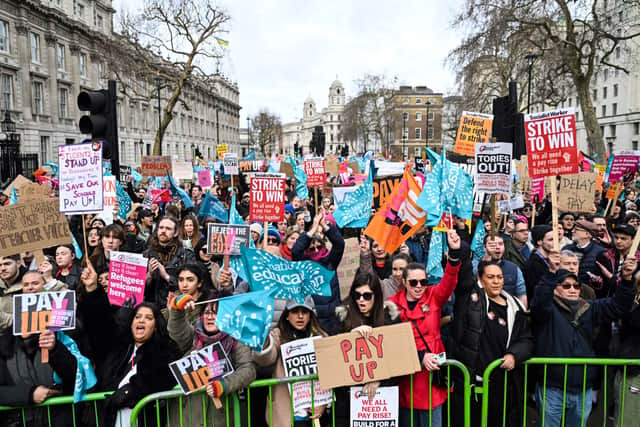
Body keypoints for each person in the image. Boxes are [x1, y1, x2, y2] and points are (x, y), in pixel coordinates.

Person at [530, 254, 637, 427]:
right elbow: (539, 303)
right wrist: (550, 273)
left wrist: (626, 280)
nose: (572, 289)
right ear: (555, 288)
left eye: (576, 286)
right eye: (566, 286)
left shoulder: (588, 307)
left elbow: (618, 306)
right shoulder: (546, 310)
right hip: (552, 388)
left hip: (583, 389)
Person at [77, 263, 179, 427]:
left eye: (148, 318)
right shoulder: (118, 348)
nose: (141, 320)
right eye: (137, 316)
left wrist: (130, 391)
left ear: (156, 325)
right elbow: (101, 326)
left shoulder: (163, 351)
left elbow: (161, 374)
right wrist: (93, 289)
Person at [387, 229, 462, 427]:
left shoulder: (433, 296)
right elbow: (391, 342)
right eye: (413, 282)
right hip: (407, 377)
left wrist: (454, 254)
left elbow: (449, 281)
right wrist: (420, 357)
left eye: (423, 281)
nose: (419, 286)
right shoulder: (392, 304)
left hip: (431, 379)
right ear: (403, 282)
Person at [450, 260, 533, 427]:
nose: (496, 281)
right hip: (474, 386)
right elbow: (464, 281)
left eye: (499, 277)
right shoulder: (470, 301)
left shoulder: (515, 306)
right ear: (480, 279)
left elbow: (526, 339)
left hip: (503, 386)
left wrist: (514, 355)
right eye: (490, 277)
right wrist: (458, 251)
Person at [0, 271, 86, 426]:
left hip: (61, 419)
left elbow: (76, 376)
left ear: (45, 287)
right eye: (26, 285)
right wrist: (29, 394)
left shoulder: (63, 328)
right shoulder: (6, 341)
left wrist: (55, 349)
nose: (30, 288)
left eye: (35, 283)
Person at [168, 298, 256, 426]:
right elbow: (177, 331)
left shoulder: (236, 340)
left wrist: (223, 385)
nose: (210, 317)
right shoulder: (193, 336)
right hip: (188, 415)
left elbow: (248, 370)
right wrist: (177, 309)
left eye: (216, 313)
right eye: (207, 312)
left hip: (220, 416)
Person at [333, 271, 400, 425]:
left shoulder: (391, 319)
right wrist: (349, 337)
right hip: (349, 403)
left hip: (383, 402)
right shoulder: (342, 319)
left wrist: (379, 379)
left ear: (376, 296)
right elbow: (333, 360)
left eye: (367, 296)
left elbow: (399, 359)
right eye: (357, 295)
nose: (361, 300)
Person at [253, 297, 329, 426]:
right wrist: (265, 343)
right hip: (288, 413)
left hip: (315, 414)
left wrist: (324, 403)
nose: (300, 316)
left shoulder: (321, 337)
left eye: (304, 312)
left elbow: (330, 372)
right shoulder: (277, 335)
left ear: (310, 315)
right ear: (287, 315)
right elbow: (266, 358)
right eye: (295, 311)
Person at [292, 208, 345, 335]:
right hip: (314, 320)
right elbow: (296, 251)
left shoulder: (330, 262)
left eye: (319, 247)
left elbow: (339, 244)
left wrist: (324, 225)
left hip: (334, 318)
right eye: (311, 248)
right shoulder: (304, 265)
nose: (316, 251)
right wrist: (313, 228)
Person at [144, 216, 197, 308]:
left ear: (175, 233)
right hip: (151, 308)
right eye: (161, 228)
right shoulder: (146, 254)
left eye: (168, 228)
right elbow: (139, 288)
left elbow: (190, 285)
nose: (163, 231)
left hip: (175, 307)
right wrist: (149, 274)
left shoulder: (186, 255)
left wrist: (166, 276)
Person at [474, 234, 527, 308]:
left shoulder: (513, 268)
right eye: (493, 244)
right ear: (485, 247)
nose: (497, 247)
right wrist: (486, 258)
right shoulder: (474, 266)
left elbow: (522, 294)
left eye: (501, 244)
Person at [561, 219, 604, 291]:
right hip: (567, 288)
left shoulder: (600, 252)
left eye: (576, 230)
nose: (572, 231)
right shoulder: (567, 248)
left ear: (587, 234)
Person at [88, 223, 125, 290]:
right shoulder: (92, 261)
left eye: (115, 237)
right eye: (107, 237)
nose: (110, 241)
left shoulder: (128, 260)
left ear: (121, 241)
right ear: (101, 240)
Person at [523, 224, 554, 301]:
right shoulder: (532, 264)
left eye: (556, 239)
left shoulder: (553, 260)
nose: (555, 243)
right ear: (539, 241)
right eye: (550, 240)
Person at [0, 255, 26, 332]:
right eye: (0, 265)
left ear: (18, 263)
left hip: (22, 339)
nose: (3, 268)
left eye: (7, 264)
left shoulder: (32, 284)